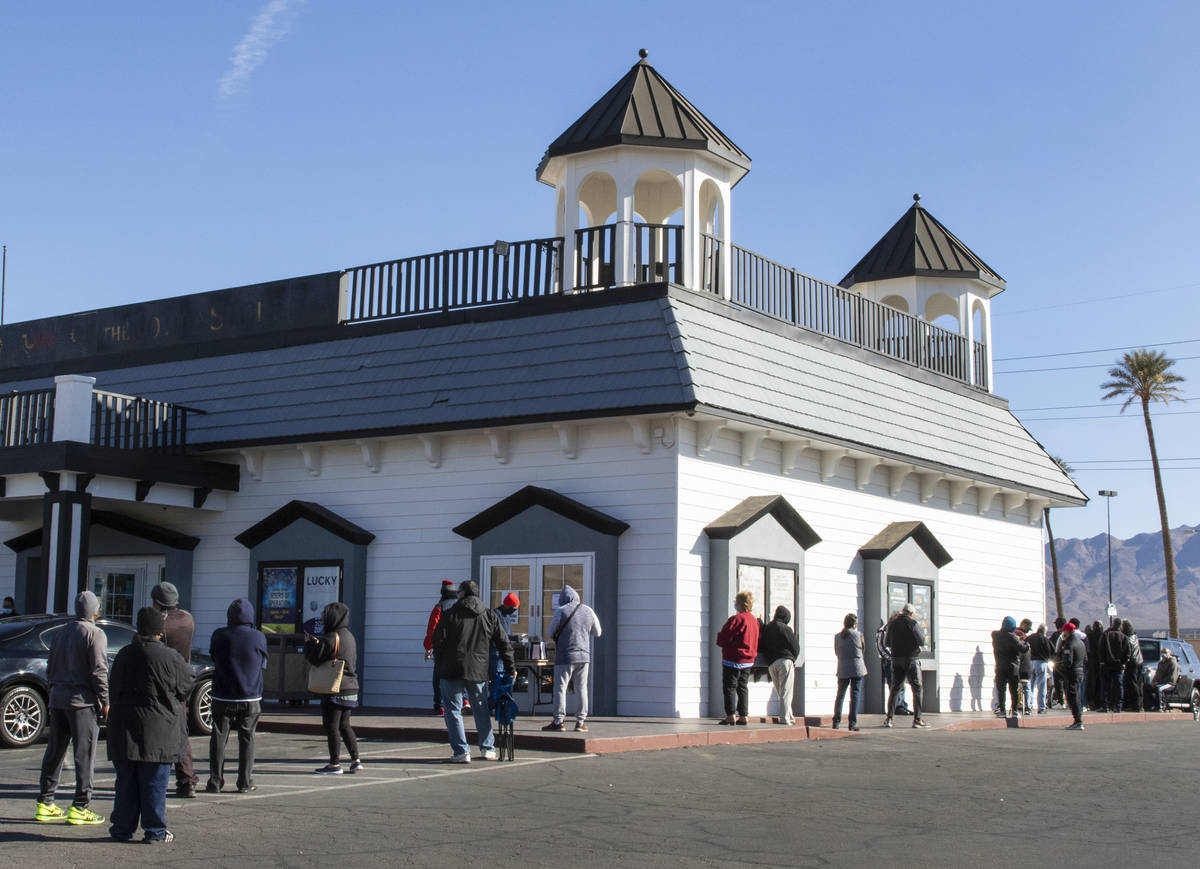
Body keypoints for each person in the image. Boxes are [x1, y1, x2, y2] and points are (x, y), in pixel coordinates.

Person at [106, 606, 193, 844]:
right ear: (159, 631)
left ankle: (122, 829)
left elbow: (114, 688)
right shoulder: (170, 657)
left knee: (126, 784)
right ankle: (154, 830)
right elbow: (187, 685)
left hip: (125, 729)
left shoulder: (124, 655)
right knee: (154, 784)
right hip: (159, 731)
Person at [35, 590, 109, 826]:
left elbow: (50, 666)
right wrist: (105, 701)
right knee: (84, 754)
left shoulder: (61, 632)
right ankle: (80, 805)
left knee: (55, 751)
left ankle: (45, 801)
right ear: (94, 611)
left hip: (58, 698)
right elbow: (98, 671)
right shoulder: (95, 634)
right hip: (82, 702)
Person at [432, 580, 514, 761]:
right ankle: (488, 748)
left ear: (462, 593)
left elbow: (437, 640)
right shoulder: (489, 615)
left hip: (452, 668)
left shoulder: (450, 614)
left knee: (453, 710)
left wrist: (439, 662)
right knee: (481, 708)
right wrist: (510, 667)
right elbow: (504, 643)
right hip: (478, 668)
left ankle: (462, 751)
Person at [206, 598, 268, 794]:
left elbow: (214, 657)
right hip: (250, 696)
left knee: (218, 738)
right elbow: (263, 664)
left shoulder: (219, 635)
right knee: (247, 739)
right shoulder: (258, 637)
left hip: (222, 695)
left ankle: (215, 781)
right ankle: (244, 782)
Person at [151, 582, 199, 798]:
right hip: (182, 682)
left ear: (157, 602)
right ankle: (187, 780)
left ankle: (153, 778)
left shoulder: (161, 624)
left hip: (160, 681)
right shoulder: (188, 619)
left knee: (154, 731)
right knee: (181, 732)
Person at [304, 602, 362, 775]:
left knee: (332, 726)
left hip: (335, 688)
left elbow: (315, 658)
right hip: (351, 687)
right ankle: (356, 760)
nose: (322, 618)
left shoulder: (331, 637)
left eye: (324, 615)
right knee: (345, 725)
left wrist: (308, 644)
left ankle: (334, 764)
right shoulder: (349, 636)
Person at [543, 585, 602, 732]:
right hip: (584, 655)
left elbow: (550, 633)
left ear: (563, 599)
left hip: (565, 655)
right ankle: (580, 722)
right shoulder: (588, 610)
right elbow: (598, 632)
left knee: (560, 688)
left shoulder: (561, 611)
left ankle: (558, 721)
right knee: (581, 688)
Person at [423, 580, 467, 715]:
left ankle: (440, 705)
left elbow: (432, 630)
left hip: (443, 650)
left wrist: (428, 648)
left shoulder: (439, 607)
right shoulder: (461, 607)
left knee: (438, 677)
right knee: (462, 674)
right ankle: (465, 700)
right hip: (460, 648)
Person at [715, 590, 759, 726]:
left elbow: (724, 637)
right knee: (743, 687)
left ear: (740, 604)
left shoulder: (736, 619)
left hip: (733, 658)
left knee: (730, 687)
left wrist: (720, 640)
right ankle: (744, 715)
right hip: (748, 660)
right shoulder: (754, 620)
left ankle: (730, 715)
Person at [884, 603, 928, 729]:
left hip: (896, 659)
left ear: (903, 611)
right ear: (911, 613)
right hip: (911, 658)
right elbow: (922, 640)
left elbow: (887, 642)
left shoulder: (893, 624)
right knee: (917, 688)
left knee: (895, 688)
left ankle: (889, 718)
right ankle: (917, 719)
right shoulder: (912, 623)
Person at [759, 605, 800, 726]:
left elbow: (762, 645)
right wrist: (793, 658)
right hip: (785, 661)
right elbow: (795, 647)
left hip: (772, 664)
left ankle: (790, 716)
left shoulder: (767, 628)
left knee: (781, 692)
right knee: (786, 692)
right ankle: (785, 719)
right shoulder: (785, 628)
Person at [832, 613, 866, 731]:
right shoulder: (858, 635)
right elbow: (862, 650)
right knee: (855, 695)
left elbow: (836, 652)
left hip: (842, 667)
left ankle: (836, 721)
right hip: (856, 667)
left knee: (840, 695)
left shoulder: (837, 636)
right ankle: (852, 723)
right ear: (854, 624)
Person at [488, 592, 521, 711]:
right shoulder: (496, 615)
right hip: (496, 652)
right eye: (513, 608)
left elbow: (505, 634)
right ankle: (493, 706)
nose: (514, 611)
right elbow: (500, 635)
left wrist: (513, 637)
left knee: (502, 681)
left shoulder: (506, 616)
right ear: (507, 605)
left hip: (502, 652)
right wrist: (513, 638)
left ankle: (499, 706)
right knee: (497, 681)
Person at [991, 616, 1028, 719]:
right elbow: (1023, 648)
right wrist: (1026, 643)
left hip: (1000, 666)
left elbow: (995, 633)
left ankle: (1002, 711)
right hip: (1012, 667)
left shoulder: (995, 635)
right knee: (1014, 690)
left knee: (1001, 690)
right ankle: (1015, 711)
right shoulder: (1012, 637)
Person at [1057, 621, 1087, 730]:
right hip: (1080, 671)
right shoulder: (1081, 643)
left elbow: (1067, 662)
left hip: (1071, 673)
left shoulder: (1069, 644)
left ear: (1068, 631)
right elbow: (1085, 659)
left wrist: (1059, 668)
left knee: (1072, 697)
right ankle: (1077, 720)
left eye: (1064, 631)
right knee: (1077, 696)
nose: (1063, 633)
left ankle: (1078, 721)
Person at [876, 618, 909, 714]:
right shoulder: (883, 630)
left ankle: (901, 705)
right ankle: (897, 707)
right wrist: (890, 658)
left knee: (902, 684)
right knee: (894, 685)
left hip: (900, 660)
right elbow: (880, 646)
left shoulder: (898, 629)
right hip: (890, 661)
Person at [1100, 616, 1131, 713]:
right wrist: (1123, 662)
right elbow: (1128, 652)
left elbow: (1101, 649)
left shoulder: (1106, 635)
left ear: (1113, 624)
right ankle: (1118, 706)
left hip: (1107, 664)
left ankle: (1105, 706)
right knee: (1118, 685)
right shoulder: (1124, 637)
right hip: (1119, 665)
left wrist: (1102, 661)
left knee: (1106, 685)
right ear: (1120, 626)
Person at [1027, 624, 1054, 714]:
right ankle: (1041, 707)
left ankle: (1029, 706)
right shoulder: (1045, 639)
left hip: (1030, 662)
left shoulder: (1030, 638)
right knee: (1041, 686)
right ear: (1044, 631)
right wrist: (1048, 658)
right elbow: (1052, 651)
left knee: (1030, 685)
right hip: (1041, 663)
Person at [1121, 620, 1143, 712]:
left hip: (1132, 662)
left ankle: (1135, 705)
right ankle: (1139, 704)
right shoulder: (1134, 636)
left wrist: (1124, 661)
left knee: (1132, 683)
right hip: (1139, 661)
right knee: (1138, 683)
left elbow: (1128, 651)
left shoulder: (1128, 639)